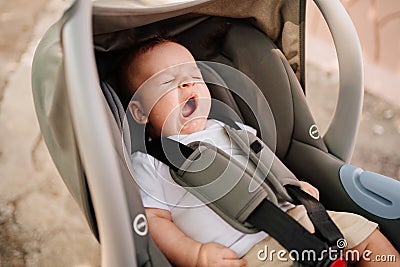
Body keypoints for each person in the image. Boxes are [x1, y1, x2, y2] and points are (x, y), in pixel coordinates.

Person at [118, 38, 399, 267]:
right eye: (169, 82)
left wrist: (294, 186)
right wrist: (195, 254)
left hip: (299, 218)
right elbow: (155, 221)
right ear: (140, 112)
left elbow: (265, 161)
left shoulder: (231, 128)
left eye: (194, 77)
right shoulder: (150, 162)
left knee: (367, 235)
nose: (187, 85)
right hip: (245, 254)